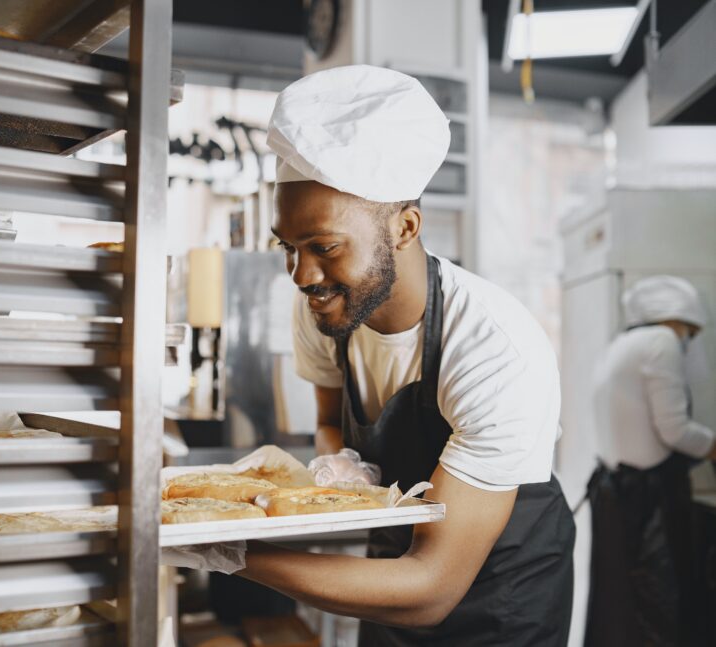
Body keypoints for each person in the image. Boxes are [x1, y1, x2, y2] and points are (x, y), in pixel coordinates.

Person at [173, 65, 576, 646]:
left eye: (325, 247)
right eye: (287, 247)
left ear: (405, 227)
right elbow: (327, 423)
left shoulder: (494, 349)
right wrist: (341, 474)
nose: (301, 274)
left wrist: (226, 550)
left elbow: (431, 589)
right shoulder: (326, 308)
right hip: (394, 564)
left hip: (499, 591)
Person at [586, 276, 715, 647]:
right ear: (678, 321)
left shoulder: (624, 343)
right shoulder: (661, 343)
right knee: (656, 604)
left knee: (621, 601)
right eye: (690, 331)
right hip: (647, 499)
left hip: (616, 494)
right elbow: (674, 430)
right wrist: (712, 446)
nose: (689, 341)